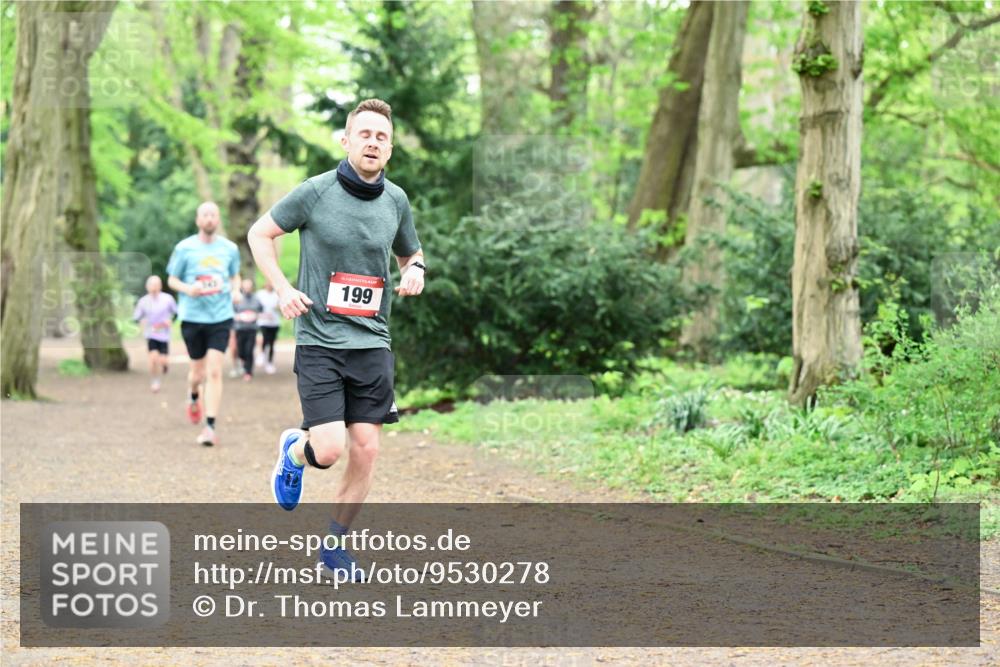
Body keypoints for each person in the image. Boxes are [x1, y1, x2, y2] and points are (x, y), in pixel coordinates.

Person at [247, 98, 425, 578]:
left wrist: (417, 271)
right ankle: (293, 452)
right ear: (346, 141)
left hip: (372, 340)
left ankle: (334, 549)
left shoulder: (396, 201)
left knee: (366, 448)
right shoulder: (315, 192)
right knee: (327, 450)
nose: (373, 142)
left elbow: (411, 253)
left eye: (381, 137)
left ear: (389, 149)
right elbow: (260, 234)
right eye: (364, 134)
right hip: (321, 339)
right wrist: (282, 288)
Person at [167, 201, 241, 447]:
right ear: (198, 220)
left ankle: (210, 426)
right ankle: (193, 394)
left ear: (218, 220)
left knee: (215, 371)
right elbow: (172, 280)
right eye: (205, 215)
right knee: (197, 374)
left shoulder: (229, 249)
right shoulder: (184, 248)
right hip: (192, 317)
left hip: (220, 316)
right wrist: (190, 289)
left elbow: (234, 275)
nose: (209, 219)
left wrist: (237, 290)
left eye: (213, 215)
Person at [132, 275, 177, 393]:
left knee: (163, 360)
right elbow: (136, 317)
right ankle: (155, 381)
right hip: (150, 334)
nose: (154, 287)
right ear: (147, 287)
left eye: (156, 285)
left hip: (164, 334)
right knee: (153, 359)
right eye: (151, 285)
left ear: (160, 286)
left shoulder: (168, 299)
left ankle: (165, 365)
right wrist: (140, 321)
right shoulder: (143, 301)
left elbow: (176, 313)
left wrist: (171, 320)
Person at [233, 278, 263, 381]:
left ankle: (248, 372)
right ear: (242, 287)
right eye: (245, 286)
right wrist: (238, 316)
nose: (247, 288)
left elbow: (261, 310)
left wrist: (256, 315)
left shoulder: (256, 299)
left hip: (252, 329)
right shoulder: (237, 299)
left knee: (249, 350)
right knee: (241, 351)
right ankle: (244, 362)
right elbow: (231, 312)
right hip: (240, 328)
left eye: (249, 286)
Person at [256, 279, 281, 374]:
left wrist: (278, 307)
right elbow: (255, 306)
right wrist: (260, 314)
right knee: (264, 338)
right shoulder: (260, 294)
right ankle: (261, 354)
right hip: (263, 322)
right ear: (265, 284)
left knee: (271, 343)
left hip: (274, 322)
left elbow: (281, 307)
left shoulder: (277, 295)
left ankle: (269, 363)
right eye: (268, 284)